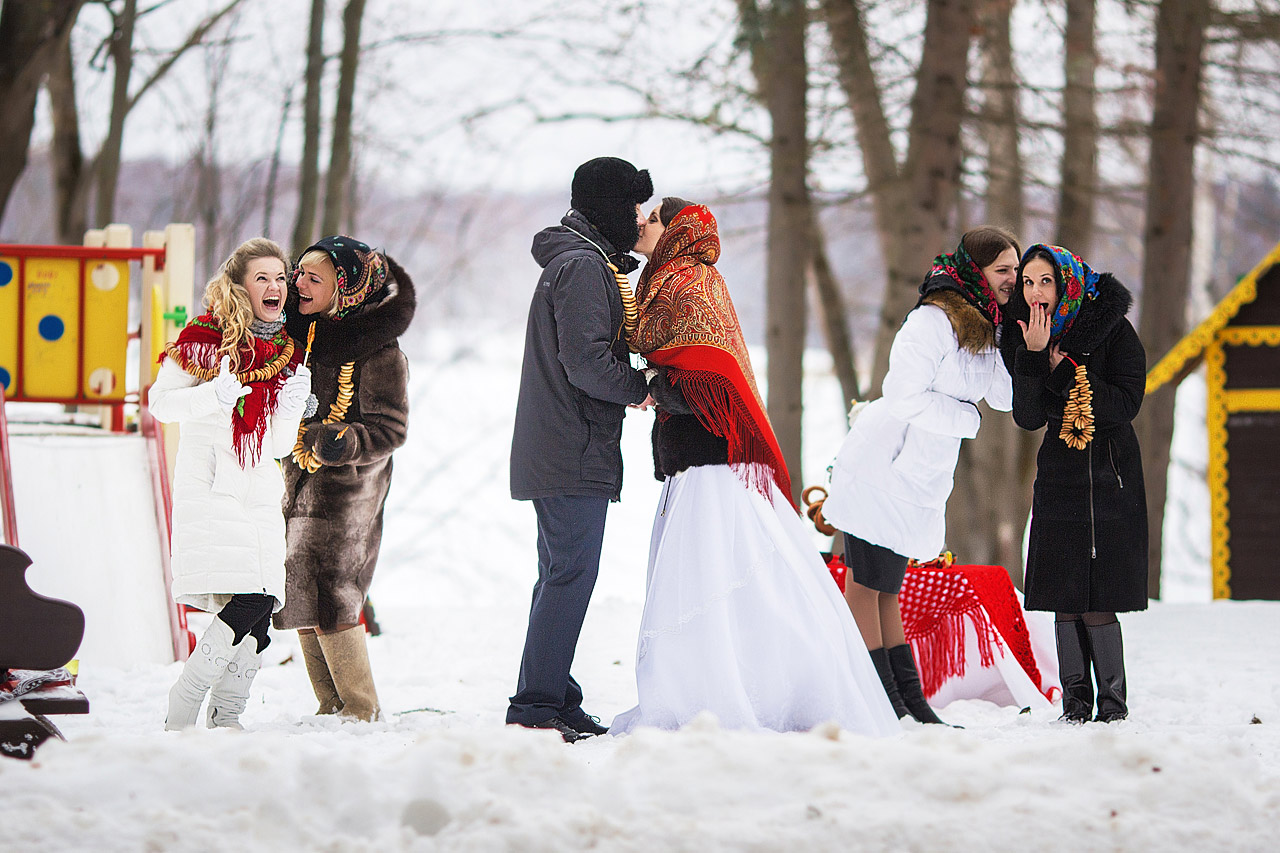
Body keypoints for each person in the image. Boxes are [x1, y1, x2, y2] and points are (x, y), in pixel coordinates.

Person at [609, 199, 899, 737]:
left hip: (710, 460)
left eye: (651, 219)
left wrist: (655, 388)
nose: (641, 225)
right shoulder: (664, 278)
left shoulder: (688, 282)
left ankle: (731, 691)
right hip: (693, 455)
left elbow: (711, 376)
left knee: (716, 577)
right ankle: (711, 685)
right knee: (710, 575)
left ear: (676, 230)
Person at [822, 227, 1020, 725]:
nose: (1013, 280)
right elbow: (903, 394)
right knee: (867, 585)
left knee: (889, 587)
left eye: (1016, 270)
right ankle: (879, 699)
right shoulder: (932, 321)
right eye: (1003, 271)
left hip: (920, 475)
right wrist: (967, 420)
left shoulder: (988, 326)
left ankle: (909, 701)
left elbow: (1007, 397)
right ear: (976, 271)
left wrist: (1024, 341)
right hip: (882, 464)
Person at [507, 157, 656, 743]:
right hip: (570, 448)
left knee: (559, 576)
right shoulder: (584, 269)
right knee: (570, 575)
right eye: (635, 206)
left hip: (561, 445)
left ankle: (552, 695)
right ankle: (538, 705)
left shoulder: (578, 262)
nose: (640, 218)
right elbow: (587, 362)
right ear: (612, 207)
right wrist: (643, 387)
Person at [152, 237, 312, 730]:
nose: (276, 287)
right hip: (212, 482)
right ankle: (187, 699)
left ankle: (227, 717)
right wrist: (211, 398)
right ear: (240, 285)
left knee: (261, 610)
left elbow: (278, 446)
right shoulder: (203, 339)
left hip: (260, 489)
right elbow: (160, 404)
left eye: (281, 277)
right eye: (262, 277)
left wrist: (288, 409)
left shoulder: (286, 351)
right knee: (252, 599)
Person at [1000, 244, 1147, 723]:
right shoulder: (1023, 334)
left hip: (1110, 473)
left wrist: (1065, 370)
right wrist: (1034, 357)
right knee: (1065, 596)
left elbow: (1124, 404)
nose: (1035, 292)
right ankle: (1075, 705)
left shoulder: (1110, 327)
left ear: (1065, 282)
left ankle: (1113, 706)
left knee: (1100, 598)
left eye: (1045, 281)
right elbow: (1026, 416)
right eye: (1027, 282)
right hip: (1060, 476)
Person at [273, 236, 415, 722]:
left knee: (336, 588)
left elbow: (391, 429)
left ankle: (359, 708)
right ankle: (329, 703)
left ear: (346, 288)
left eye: (316, 278)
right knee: (300, 588)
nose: (300, 284)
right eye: (300, 273)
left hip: (349, 490)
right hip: (298, 480)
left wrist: (342, 441)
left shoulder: (379, 353)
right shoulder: (301, 338)